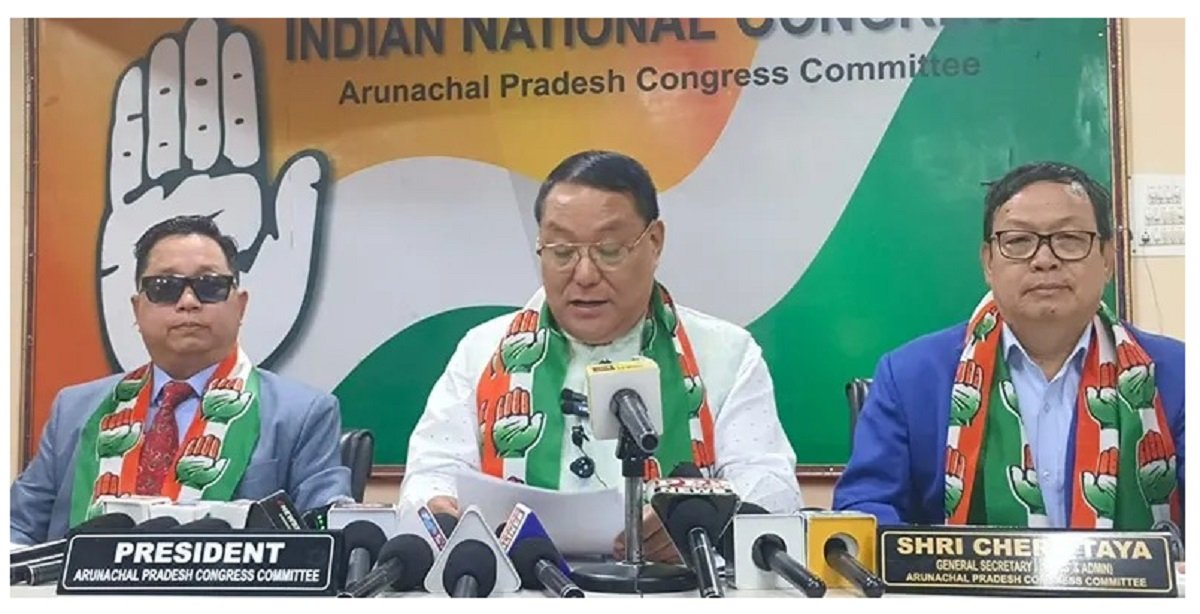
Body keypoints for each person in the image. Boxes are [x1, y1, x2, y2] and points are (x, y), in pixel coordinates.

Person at [402, 150, 803, 561]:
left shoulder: (725, 354)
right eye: (562, 251)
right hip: (521, 586)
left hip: (675, 587)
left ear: (654, 242)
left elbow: (774, 492)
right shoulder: (483, 351)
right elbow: (429, 476)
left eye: (609, 250)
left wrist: (703, 521)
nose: (585, 275)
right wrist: (438, 507)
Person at [833, 162, 1184, 531]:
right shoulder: (910, 377)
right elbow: (866, 510)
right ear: (988, 262)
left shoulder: (1177, 374)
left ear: (1108, 259)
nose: (1045, 260)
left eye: (1070, 239)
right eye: (1018, 241)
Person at [11, 215, 352, 544]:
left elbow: (326, 540)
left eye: (210, 286)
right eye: (165, 288)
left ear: (240, 306)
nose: (188, 302)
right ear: (137, 309)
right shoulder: (74, 410)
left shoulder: (303, 414)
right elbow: (17, 527)